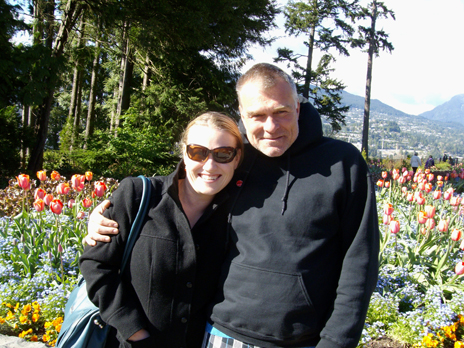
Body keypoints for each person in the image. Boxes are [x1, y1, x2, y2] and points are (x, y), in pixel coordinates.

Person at [86, 63, 379, 348]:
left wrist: (337, 342)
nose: (271, 127)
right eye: (257, 115)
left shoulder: (342, 163)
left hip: (301, 340)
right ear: (242, 115)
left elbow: (359, 263)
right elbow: (186, 191)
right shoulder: (235, 159)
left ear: (298, 108)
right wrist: (105, 215)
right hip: (220, 335)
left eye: (281, 112)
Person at [79, 112, 243, 348]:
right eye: (198, 152)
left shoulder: (237, 215)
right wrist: (136, 333)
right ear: (184, 154)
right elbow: (97, 266)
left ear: (237, 159)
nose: (210, 165)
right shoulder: (138, 195)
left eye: (223, 154)